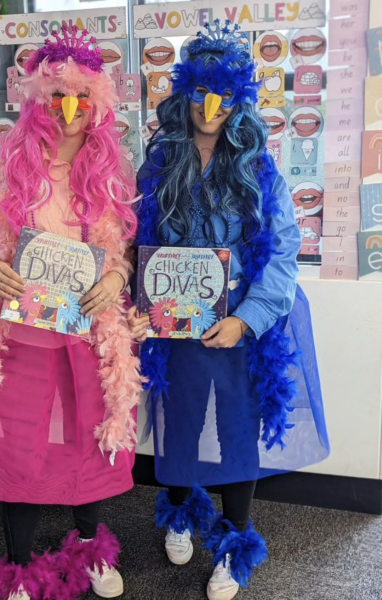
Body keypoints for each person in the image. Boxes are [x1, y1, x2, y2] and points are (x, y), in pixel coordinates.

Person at [0, 27, 142, 600]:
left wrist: (116, 275)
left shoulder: (113, 167)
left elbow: (122, 252)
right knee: (18, 446)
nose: (69, 111)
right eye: (58, 97)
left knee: (90, 439)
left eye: (81, 98)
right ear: (39, 100)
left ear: (97, 103)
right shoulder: (9, 162)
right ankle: (19, 567)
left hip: (87, 330)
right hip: (18, 331)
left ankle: (90, 549)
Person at [128, 21, 329, 600]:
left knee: (239, 429)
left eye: (222, 96)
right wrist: (142, 299)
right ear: (185, 94)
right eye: (199, 93)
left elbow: (283, 251)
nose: (209, 107)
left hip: (239, 323)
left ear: (238, 100)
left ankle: (236, 538)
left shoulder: (260, 171)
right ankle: (181, 511)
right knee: (180, 420)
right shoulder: (158, 163)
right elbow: (135, 239)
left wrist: (247, 318)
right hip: (174, 323)